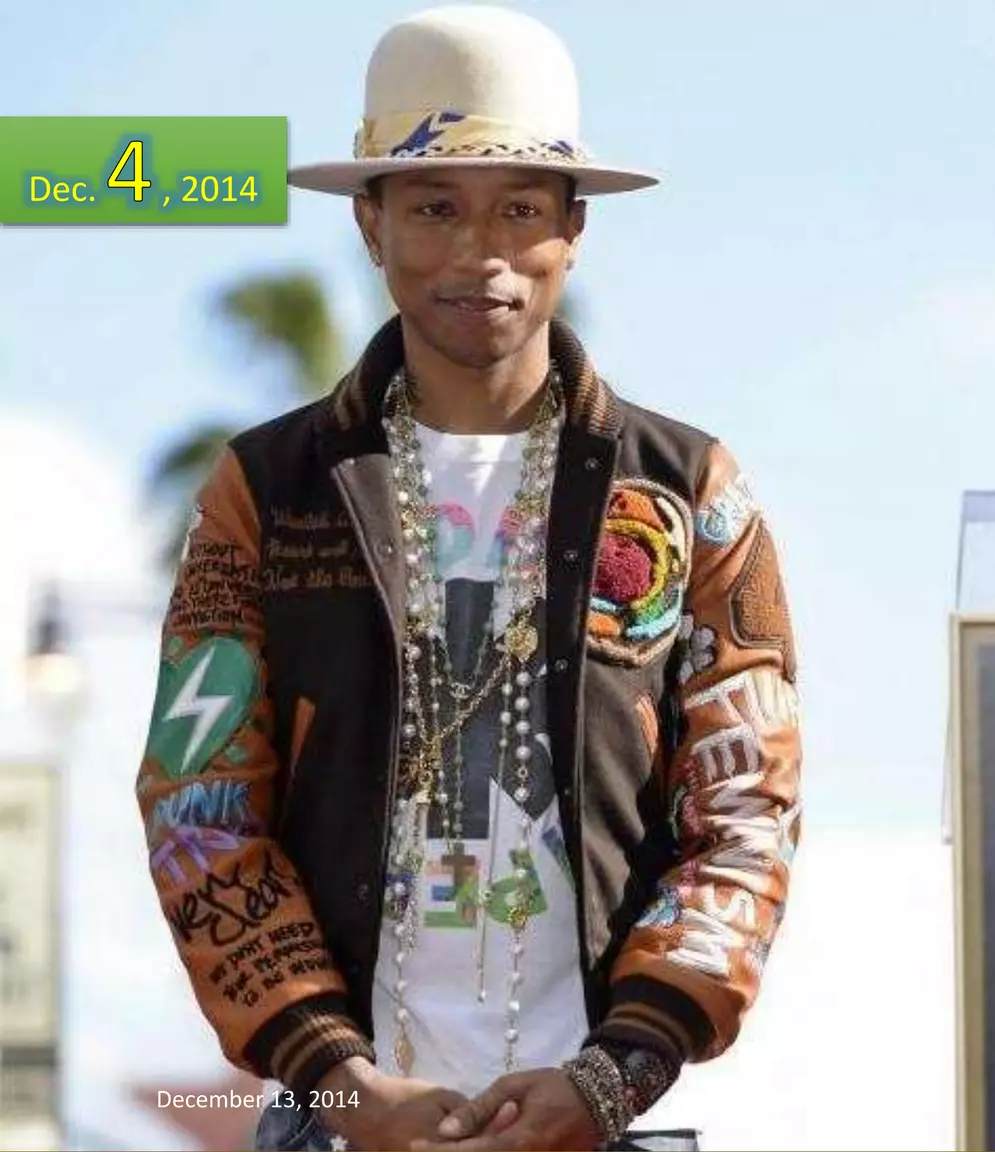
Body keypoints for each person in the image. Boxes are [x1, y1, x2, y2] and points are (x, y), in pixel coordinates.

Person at [134, 8, 802, 1150]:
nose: (478, 252)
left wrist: (614, 1074)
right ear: (370, 223)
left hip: (597, 1113)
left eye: (521, 209)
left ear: (573, 229)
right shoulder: (261, 491)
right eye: (435, 206)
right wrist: (343, 1083)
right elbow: (199, 812)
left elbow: (745, 810)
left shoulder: (693, 493)